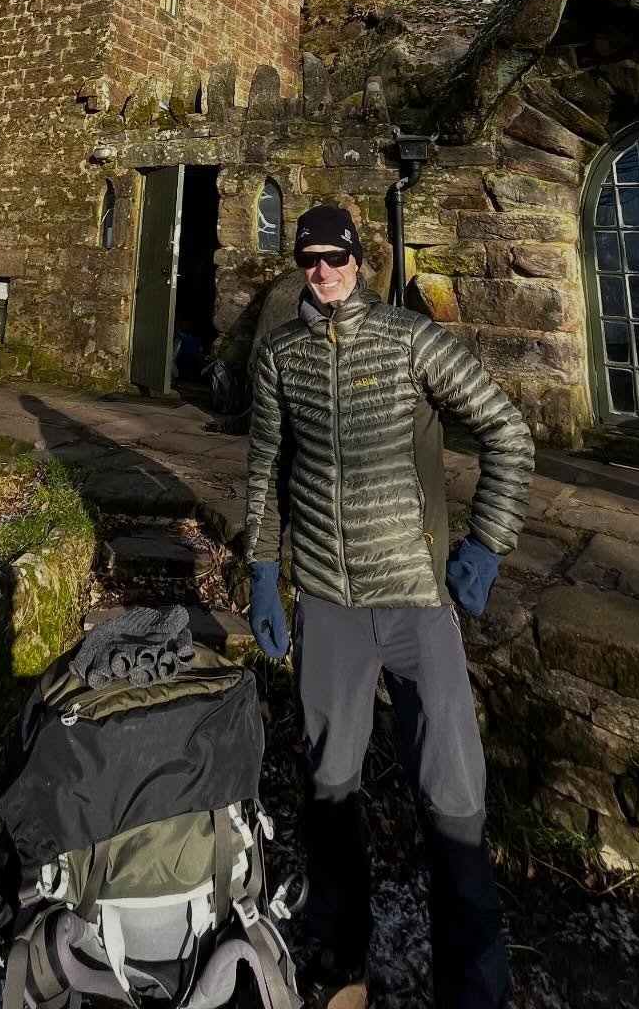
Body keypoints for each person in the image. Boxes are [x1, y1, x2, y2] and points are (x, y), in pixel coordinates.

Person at [245, 202, 534, 1009]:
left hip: (415, 600)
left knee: (454, 796)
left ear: (360, 261)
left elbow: (508, 432)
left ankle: (473, 988)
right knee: (330, 786)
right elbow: (265, 467)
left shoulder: (414, 341)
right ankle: (341, 969)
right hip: (330, 609)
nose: (323, 271)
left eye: (335, 257)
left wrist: (486, 545)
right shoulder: (280, 357)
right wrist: (262, 570)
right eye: (309, 259)